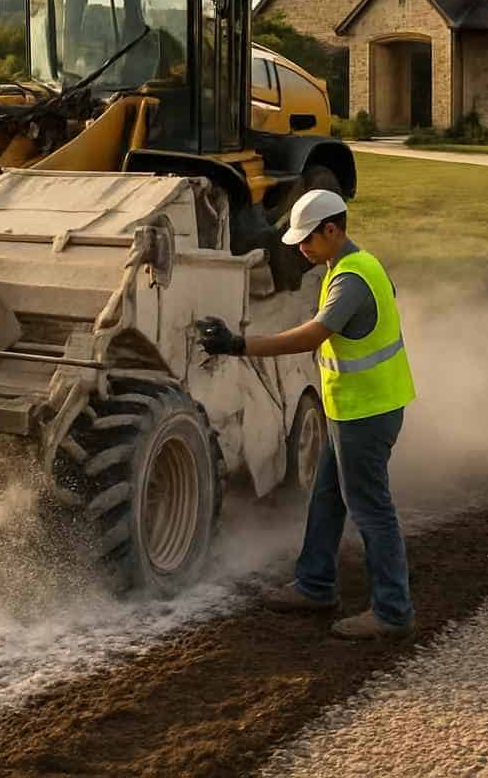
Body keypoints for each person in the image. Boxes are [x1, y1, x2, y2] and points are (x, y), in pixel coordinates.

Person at [196, 189, 417, 639]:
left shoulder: (351, 279)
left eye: (308, 240)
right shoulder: (358, 264)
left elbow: (310, 337)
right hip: (359, 408)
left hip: (366, 413)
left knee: (372, 511)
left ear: (332, 230)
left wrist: (239, 346)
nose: (300, 248)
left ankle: (393, 612)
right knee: (327, 496)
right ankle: (315, 584)